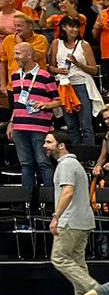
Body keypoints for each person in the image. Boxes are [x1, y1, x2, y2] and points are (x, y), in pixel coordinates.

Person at [6, 39, 59, 203]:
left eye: (18, 53)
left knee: (43, 163)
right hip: (19, 126)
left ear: (29, 55)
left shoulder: (45, 76)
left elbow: (58, 101)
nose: (15, 57)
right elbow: (16, 102)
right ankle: (28, 203)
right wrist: (11, 123)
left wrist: (45, 104)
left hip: (39, 126)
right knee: (25, 165)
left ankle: (50, 201)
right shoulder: (15, 76)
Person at [44, 132, 95, 295]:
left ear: (61, 145)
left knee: (59, 258)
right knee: (77, 261)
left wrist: (55, 217)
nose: (45, 146)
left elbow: (68, 192)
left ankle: (95, 289)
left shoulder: (66, 165)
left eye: (48, 142)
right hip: (83, 220)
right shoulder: (75, 164)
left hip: (70, 221)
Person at [50, 15, 98, 150]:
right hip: (64, 85)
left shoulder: (84, 45)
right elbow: (51, 67)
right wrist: (59, 70)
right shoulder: (56, 43)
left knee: (85, 124)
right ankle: (76, 153)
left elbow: (94, 70)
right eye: (71, 26)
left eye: (77, 26)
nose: (75, 29)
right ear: (64, 27)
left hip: (81, 84)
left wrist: (78, 63)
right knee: (71, 124)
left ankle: (89, 154)